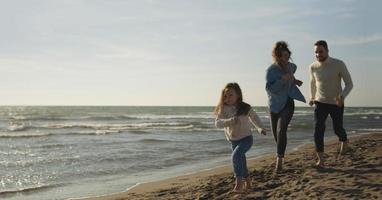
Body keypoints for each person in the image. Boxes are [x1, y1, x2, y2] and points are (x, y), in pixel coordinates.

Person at [214, 82, 266, 193]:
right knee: (241, 161)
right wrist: (230, 121)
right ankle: (248, 180)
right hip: (233, 140)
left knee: (235, 156)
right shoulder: (223, 109)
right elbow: (217, 123)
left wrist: (260, 128)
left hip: (246, 138)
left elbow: (254, 118)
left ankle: (239, 183)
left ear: (238, 95)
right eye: (225, 95)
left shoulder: (245, 107)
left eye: (231, 95)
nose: (228, 97)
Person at [309, 40, 353, 168]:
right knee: (318, 130)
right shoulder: (313, 67)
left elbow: (349, 84)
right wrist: (312, 97)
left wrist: (342, 96)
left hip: (336, 102)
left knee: (337, 129)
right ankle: (321, 160)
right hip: (320, 102)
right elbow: (312, 83)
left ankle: (344, 140)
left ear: (327, 50)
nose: (318, 55)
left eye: (320, 52)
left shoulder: (338, 64)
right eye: (316, 52)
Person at [265, 41, 306, 172]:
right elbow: (270, 89)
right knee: (276, 134)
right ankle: (281, 153)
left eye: (288, 56)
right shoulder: (271, 70)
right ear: (277, 56)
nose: (286, 59)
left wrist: (295, 81)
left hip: (288, 102)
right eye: (283, 56)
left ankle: (279, 160)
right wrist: (283, 80)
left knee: (282, 129)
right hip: (274, 105)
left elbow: (290, 76)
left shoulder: (291, 67)